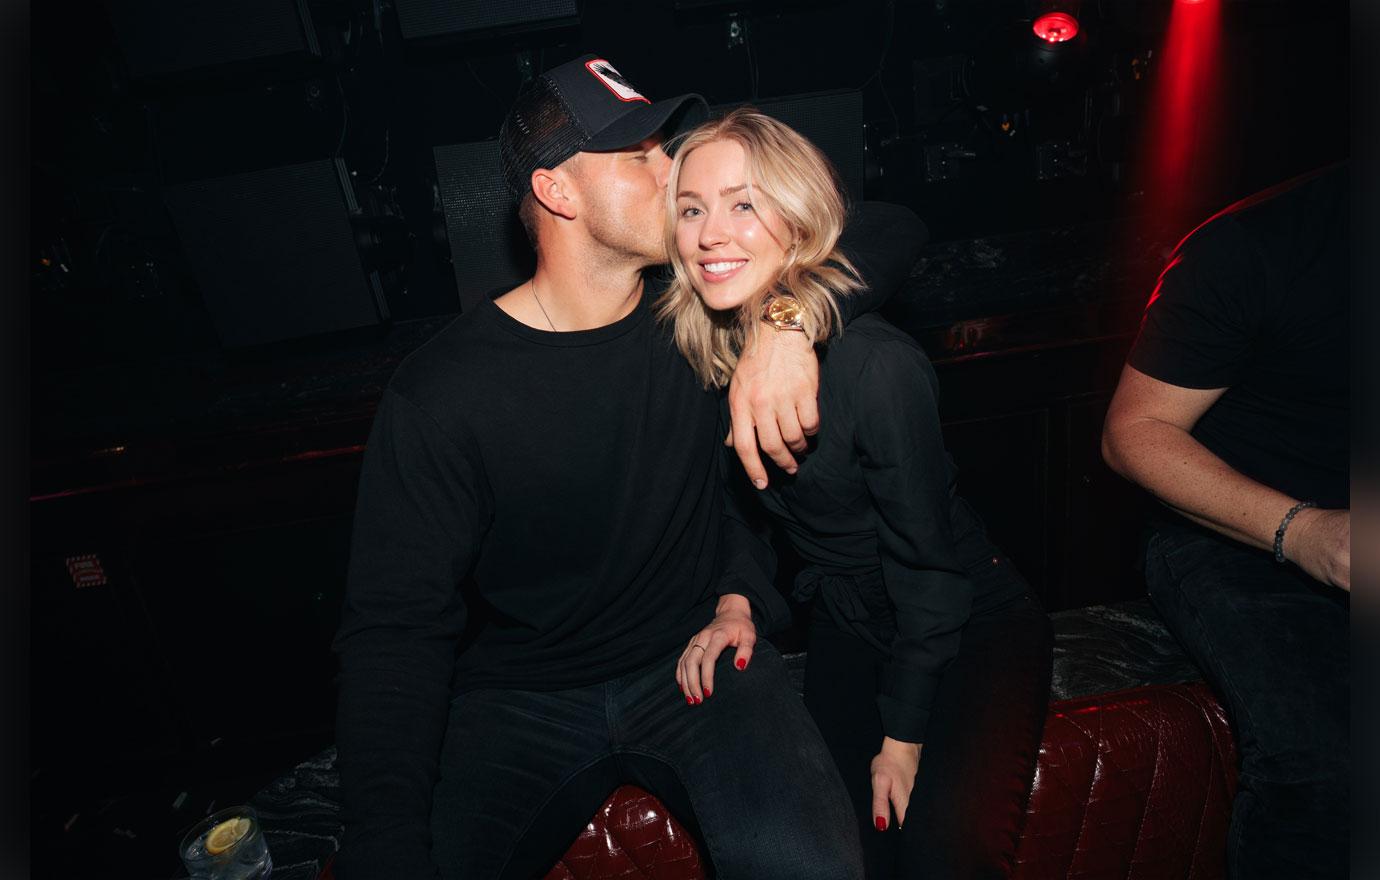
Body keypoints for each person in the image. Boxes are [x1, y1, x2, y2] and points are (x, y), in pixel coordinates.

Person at [332, 56, 926, 880]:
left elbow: (890, 225)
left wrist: (788, 325)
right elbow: (394, 630)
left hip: (694, 663)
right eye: (640, 153)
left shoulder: (698, 313)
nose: (670, 165)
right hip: (517, 698)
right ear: (559, 193)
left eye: (661, 143)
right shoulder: (442, 394)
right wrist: (383, 844)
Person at [661, 107, 1052, 878]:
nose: (710, 233)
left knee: (941, 855)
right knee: (837, 855)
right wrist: (737, 601)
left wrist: (903, 735)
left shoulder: (876, 367)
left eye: (745, 203)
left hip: (967, 624)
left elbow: (929, 570)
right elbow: (740, 509)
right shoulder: (713, 355)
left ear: (799, 219)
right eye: (691, 208)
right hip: (846, 621)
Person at [1101, 163, 1349, 879]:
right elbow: (1133, 433)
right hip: (1241, 534)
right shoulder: (1252, 245)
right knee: (1334, 766)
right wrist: (1307, 534)